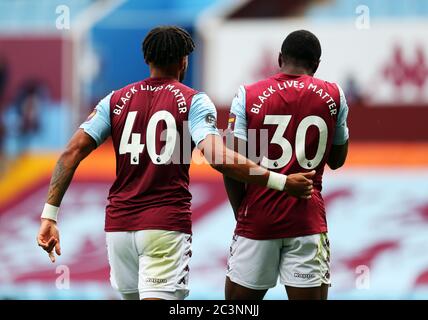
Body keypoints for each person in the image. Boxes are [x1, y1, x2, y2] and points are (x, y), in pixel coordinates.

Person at [36, 26, 313, 300]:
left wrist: (49, 215)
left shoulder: (114, 100)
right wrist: (281, 181)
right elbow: (218, 157)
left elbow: (70, 153)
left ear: (147, 60)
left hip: (118, 230)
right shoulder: (194, 102)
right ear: (183, 61)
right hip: (164, 228)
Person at [223, 30, 349, 300]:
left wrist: (241, 212)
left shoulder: (247, 95)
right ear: (316, 64)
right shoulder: (334, 95)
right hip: (307, 220)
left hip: (257, 219)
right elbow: (337, 161)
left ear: (280, 58)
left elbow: (232, 164)